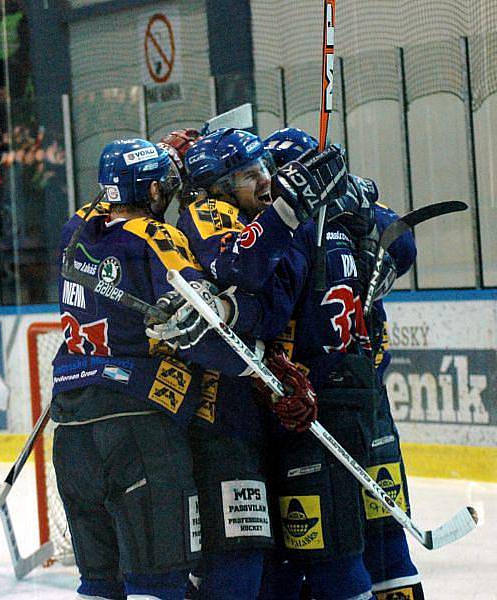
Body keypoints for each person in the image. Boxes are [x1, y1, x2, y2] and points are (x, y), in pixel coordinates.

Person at [50, 138, 279, 600]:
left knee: (99, 586)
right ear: (154, 190)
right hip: (138, 428)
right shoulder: (157, 236)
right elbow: (202, 320)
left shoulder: (74, 231)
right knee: (157, 582)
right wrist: (254, 362)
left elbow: (109, 199)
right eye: (166, 185)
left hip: (72, 431)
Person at [147, 127, 348, 599]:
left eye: (265, 169)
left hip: (247, 418)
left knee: (267, 558)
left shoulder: (260, 221)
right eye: (247, 174)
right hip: (215, 419)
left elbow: (272, 303)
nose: (264, 181)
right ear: (217, 185)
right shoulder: (208, 211)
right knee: (237, 554)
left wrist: (331, 214)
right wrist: (288, 214)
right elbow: (241, 268)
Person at [263, 128, 423, 600]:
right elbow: (404, 246)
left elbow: (265, 307)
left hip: (320, 410)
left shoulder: (300, 234)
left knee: (330, 554)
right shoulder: (354, 223)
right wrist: (364, 208)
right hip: (371, 403)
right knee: (386, 544)